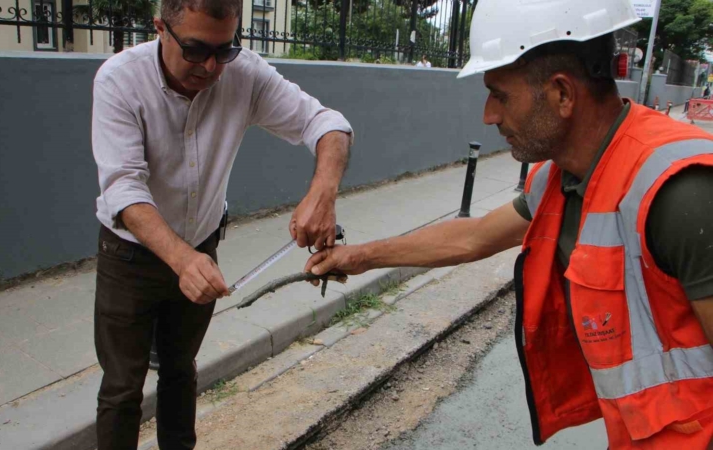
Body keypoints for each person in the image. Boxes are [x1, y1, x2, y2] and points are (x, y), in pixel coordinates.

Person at [305, 0, 713, 448]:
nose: (489, 115)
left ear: (562, 94)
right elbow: (475, 237)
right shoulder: (564, 176)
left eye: (500, 95)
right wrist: (358, 256)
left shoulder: (680, 194)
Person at [90, 0, 353, 447]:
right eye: (195, 50)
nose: (211, 66)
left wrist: (322, 193)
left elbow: (327, 122)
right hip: (129, 256)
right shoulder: (119, 79)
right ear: (160, 28)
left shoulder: (244, 73)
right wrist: (180, 258)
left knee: (180, 370)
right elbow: (123, 188)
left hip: (202, 244)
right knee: (121, 388)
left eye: (224, 49)